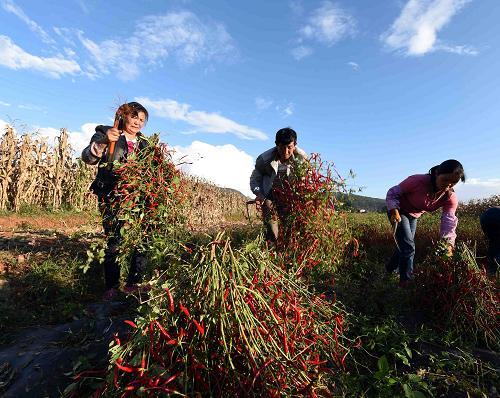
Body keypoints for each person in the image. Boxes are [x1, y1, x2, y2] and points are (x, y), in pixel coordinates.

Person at [82, 102, 149, 300]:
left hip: (138, 198)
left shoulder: (146, 144)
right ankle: (111, 286)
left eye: (142, 120)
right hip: (112, 195)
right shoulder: (106, 132)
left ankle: (134, 283)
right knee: (114, 238)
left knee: (142, 238)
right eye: (134, 117)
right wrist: (103, 141)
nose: (138, 122)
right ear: (124, 116)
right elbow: (87, 157)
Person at [385, 159, 466, 285]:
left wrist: (448, 244)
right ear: (437, 174)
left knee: (404, 245)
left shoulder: (449, 197)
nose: (448, 185)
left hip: (414, 216)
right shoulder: (417, 181)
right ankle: (406, 282)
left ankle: (388, 270)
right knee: (408, 247)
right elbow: (392, 193)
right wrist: (394, 210)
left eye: (453, 183)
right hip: (399, 211)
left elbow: (449, 221)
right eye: (445, 180)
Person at [249, 127, 307, 244]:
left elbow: (308, 179)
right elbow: (255, 179)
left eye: (289, 148)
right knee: (271, 224)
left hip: (290, 196)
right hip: (270, 195)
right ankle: (272, 245)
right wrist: (259, 193)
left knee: (291, 226)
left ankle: (288, 245)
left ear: (295, 145)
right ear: (276, 145)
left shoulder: (302, 159)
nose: (285, 152)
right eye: (281, 148)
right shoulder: (264, 160)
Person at [480, 207, 500, 276]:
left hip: (485, 217)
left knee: (494, 241)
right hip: (495, 216)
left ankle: (491, 269)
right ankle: (495, 270)